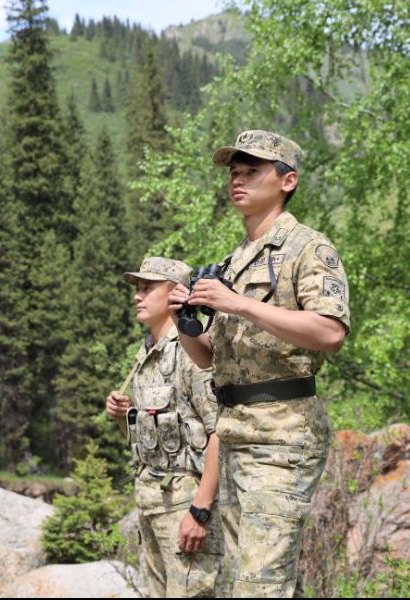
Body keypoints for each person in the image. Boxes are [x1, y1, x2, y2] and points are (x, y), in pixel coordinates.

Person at [169, 130, 350, 597]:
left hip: (282, 436)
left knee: (259, 585)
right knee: (256, 582)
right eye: (234, 173)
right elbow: (211, 358)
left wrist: (240, 305)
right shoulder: (236, 260)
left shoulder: (308, 248)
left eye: (252, 171)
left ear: (287, 181)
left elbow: (330, 333)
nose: (238, 181)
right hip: (234, 434)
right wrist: (185, 324)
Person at [106, 257, 222, 597]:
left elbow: (220, 432)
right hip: (152, 507)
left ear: (175, 294)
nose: (137, 296)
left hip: (184, 509)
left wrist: (200, 511)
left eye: (147, 288)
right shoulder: (147, 355)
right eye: (136, 289)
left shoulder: (191, 352)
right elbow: (158, 439)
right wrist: (123, 418)